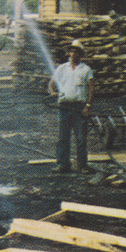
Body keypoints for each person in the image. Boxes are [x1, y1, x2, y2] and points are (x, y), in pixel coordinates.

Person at [47, 39, 95, 174]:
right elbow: (52, 82)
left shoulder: (86, 69)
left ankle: (83, 166)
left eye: (77, 52)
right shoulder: (62, 68)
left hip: (79, 107)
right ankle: (63, 164)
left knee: (81, 138)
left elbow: (92, 88)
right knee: (63, 137)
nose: (74, 54)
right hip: (64, 107)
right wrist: (52, 91)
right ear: (69, 53)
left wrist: (88, 106)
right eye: (72, 51)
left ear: (80, 54)